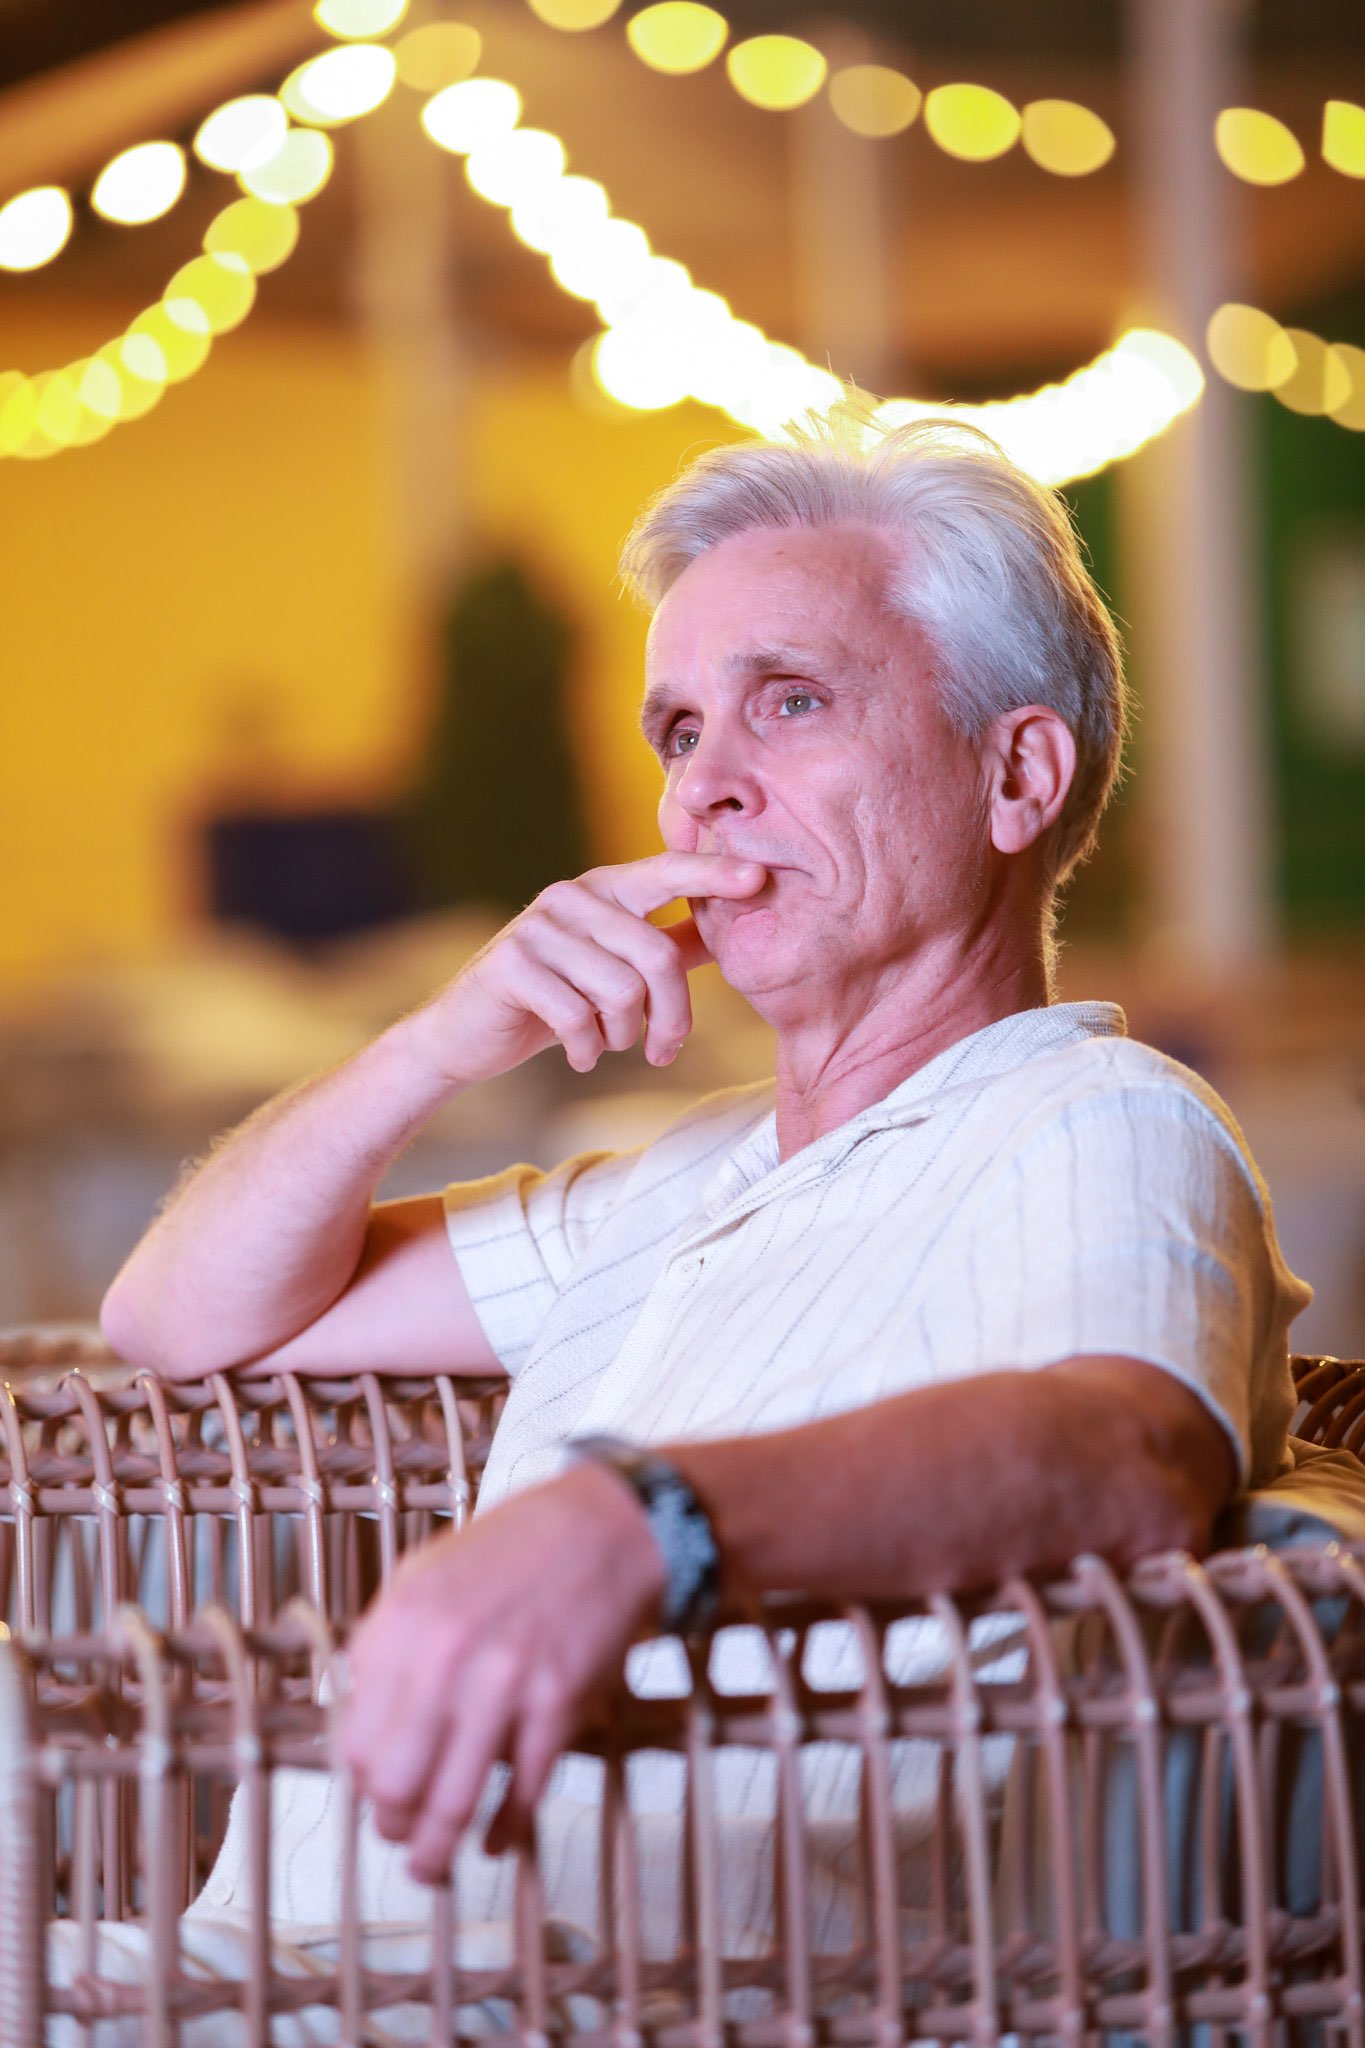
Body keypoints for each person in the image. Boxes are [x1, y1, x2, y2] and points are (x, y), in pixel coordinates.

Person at [101, 406, 1309, 1938]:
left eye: (788, 702)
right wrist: (435, 1044)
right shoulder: (684, 1174)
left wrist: (636, 1527)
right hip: (262, 1973)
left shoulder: (1091, 1117)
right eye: (677, 731)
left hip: (574, 2009)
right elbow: (177, 1319)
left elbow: (1124, 1455)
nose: (701, 789)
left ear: (1015, 774)